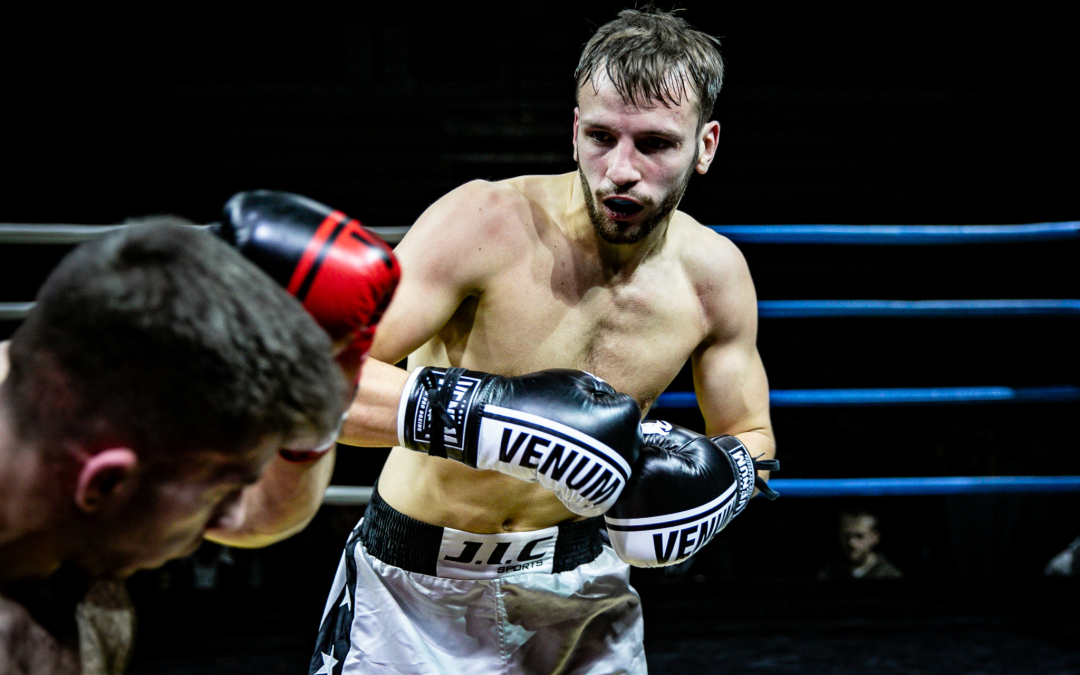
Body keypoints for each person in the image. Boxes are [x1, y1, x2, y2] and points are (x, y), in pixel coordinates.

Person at [308, 7, 777, 674]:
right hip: (414, 595)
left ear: (705, 145)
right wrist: (489, 416)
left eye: (654, 144)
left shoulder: (714, 278)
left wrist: (720, 484)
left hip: (583, 592)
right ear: (573, 130)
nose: (620, 169)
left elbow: (752, 434)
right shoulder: (481, 222)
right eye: (600, 136)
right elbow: (315, 380)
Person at [0, 218, 391, 674]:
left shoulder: (54, 400)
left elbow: (261, 517)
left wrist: (317, 421)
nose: (229, 517)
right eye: (217, 494)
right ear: (106, 483)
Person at [818, 509, 903, 580]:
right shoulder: (828, 574)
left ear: (874, 537)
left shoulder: (889, 575)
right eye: (846, 536)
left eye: (859, 536)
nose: (852, 543)